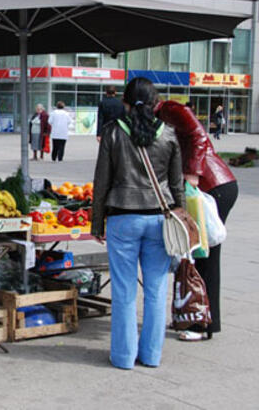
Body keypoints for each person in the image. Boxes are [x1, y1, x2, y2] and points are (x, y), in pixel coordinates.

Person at [91, 77, 184, 370]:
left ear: (125, 103)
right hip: (160, 217)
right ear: (156, 104)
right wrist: (180, 214)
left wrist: (97, 223)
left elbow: (101, 181)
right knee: (156, 290)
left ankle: (123, 357)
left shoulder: (112, 132)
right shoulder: (169, 134)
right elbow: (176, 183)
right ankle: (152, 355)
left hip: (122, 217)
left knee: (124, 290)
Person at [155, 100, 238, 342]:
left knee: (204, 256)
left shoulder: (171, 109)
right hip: (204, 188)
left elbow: (198, 136)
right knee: (192, 254)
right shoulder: (159, 117)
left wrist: (192, 174)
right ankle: (191, 314)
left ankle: (203, 324)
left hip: (212, 187)